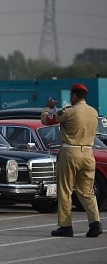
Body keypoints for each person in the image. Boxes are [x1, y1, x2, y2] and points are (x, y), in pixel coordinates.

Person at [42, 83, 102, 238]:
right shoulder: (93, 112)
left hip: (70, 152)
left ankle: (66, 226)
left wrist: (48, 108)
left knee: (65, 190)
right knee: (87, 191)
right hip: (89, 153)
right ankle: (95, 223)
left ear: (74, 96)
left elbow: (47, 121)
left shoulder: (69, 111)